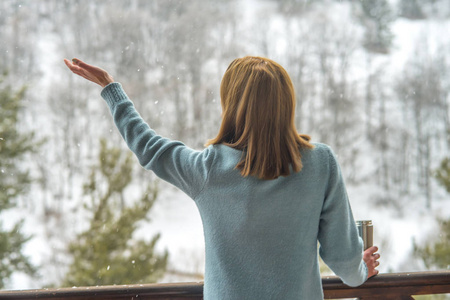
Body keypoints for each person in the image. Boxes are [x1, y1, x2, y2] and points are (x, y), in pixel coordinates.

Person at [64, 56, 380, 300]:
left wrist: (111, 89)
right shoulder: (319, 163)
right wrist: (361, 268)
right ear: (286, 104)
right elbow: (347, 265)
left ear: (230, 104)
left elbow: (148, 146)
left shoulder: (206, 170)